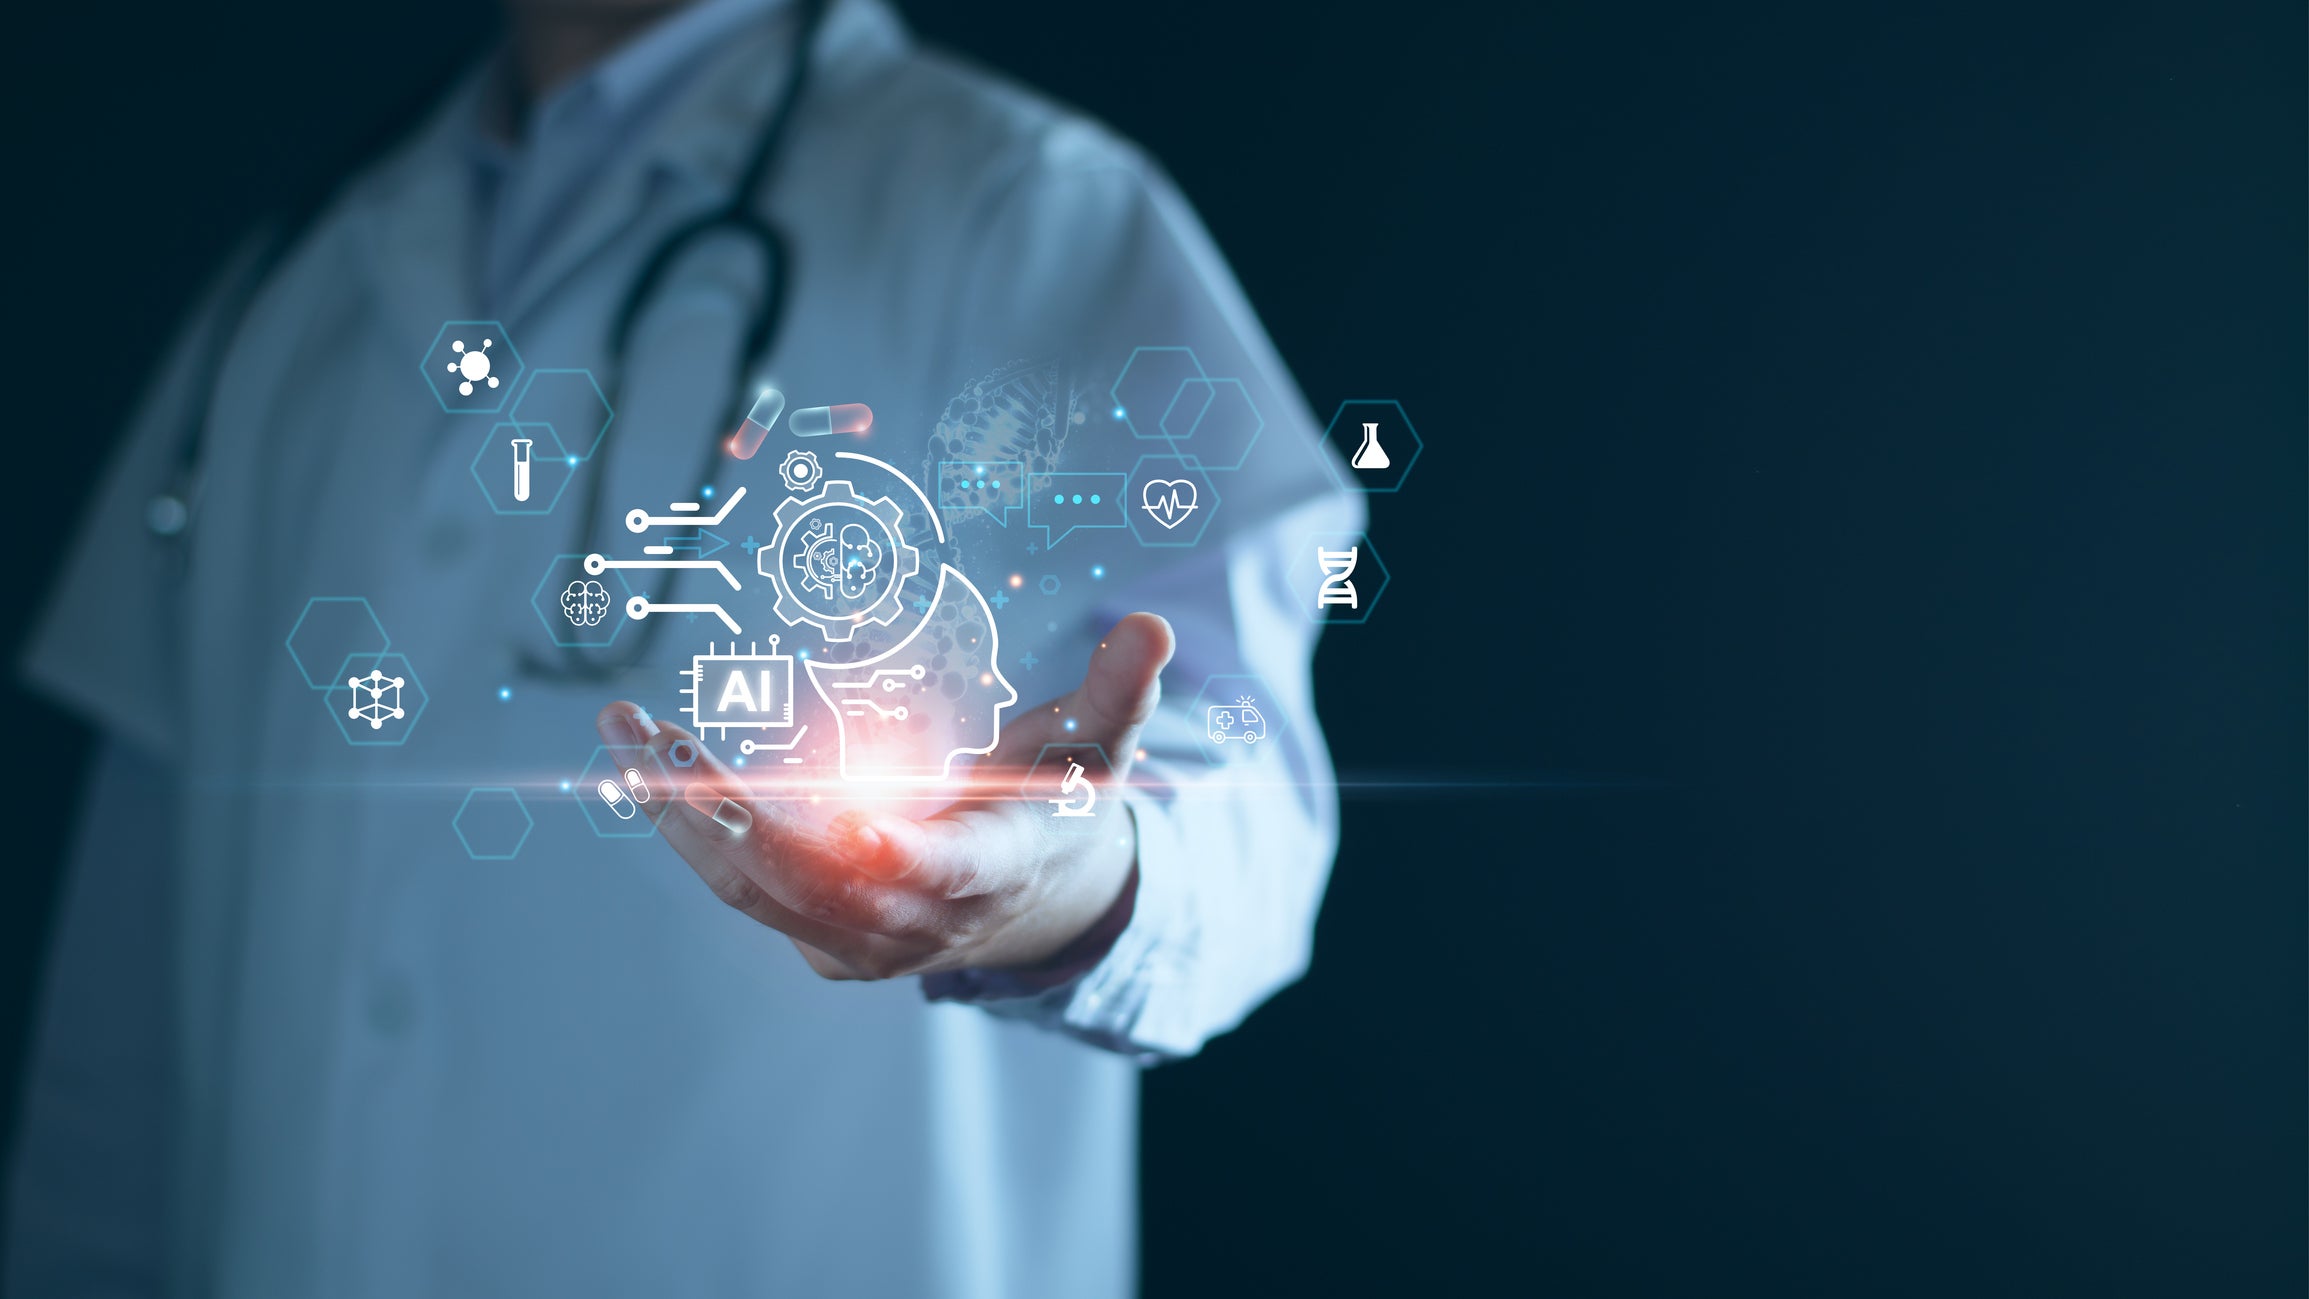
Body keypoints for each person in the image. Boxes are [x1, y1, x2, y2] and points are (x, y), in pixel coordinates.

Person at [8, 0, 1359, 1293]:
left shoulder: (1024, 211)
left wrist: (1059, 881)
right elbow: (125, 1001)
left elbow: (1239, 787)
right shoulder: (288, 289)